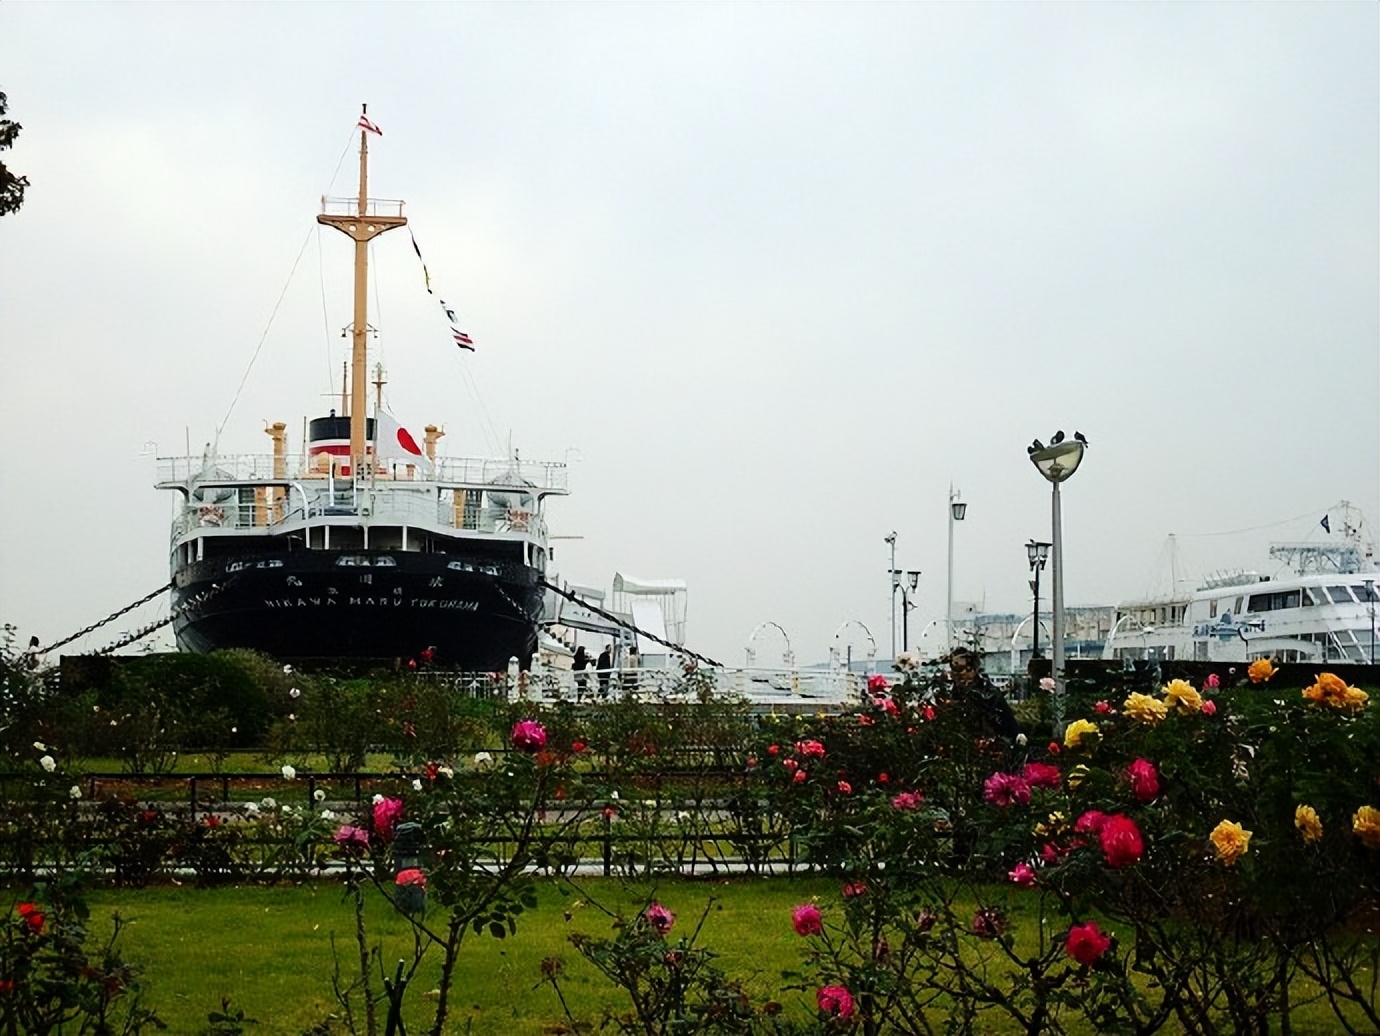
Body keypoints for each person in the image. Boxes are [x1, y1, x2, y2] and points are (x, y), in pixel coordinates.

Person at [949, 647, 1019, 740]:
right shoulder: (953, 691)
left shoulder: (988, 692)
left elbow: (1006, 717)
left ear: (972, 669)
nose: (961, 679)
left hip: (988, 741)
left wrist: (1017, 734)